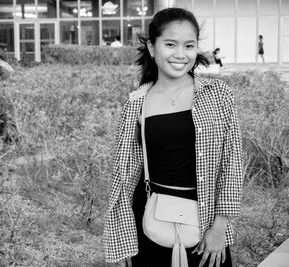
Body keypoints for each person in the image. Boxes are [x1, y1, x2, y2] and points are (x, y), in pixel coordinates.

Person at [103, 7, 243, 267]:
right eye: (170, 44)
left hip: (205, 226)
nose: (181, 54)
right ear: (153, 48)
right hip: (149, 222)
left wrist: (220, 227)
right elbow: (123, 177)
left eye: (189, 45)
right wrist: (121, 240)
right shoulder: (137, 102)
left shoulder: (218, 95)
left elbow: (232, 164)